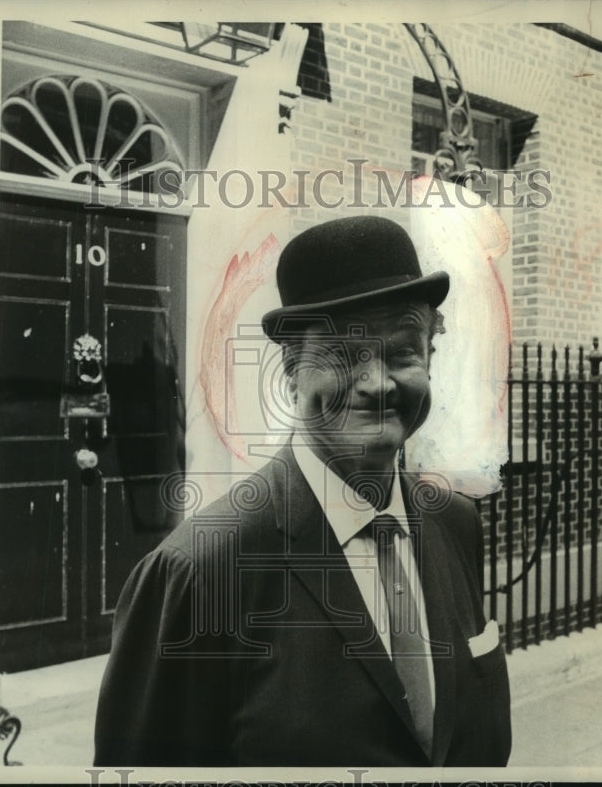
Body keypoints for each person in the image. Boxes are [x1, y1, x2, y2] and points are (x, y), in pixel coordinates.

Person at [93, 215, 511, 767]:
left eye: (403, 351)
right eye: (344, 355)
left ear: (430, 358)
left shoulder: (455, 523)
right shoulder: (199, 571)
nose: (378, 383)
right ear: (291, 369)